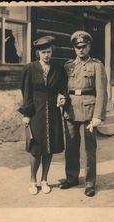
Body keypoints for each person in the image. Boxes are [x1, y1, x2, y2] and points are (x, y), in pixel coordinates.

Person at [60, 31, 107, 197]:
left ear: (89, 46)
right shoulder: (68, 66)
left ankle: (89, 183)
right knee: (71, 148)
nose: (80, 50)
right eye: (76, 47)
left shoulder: (97, 66)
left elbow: (101, 93)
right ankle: (72, 178)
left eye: (83, 46)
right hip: (71, 110)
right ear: (74, 48)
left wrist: (98, 116)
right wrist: (61, 97)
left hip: (89, 112)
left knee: (89, 150)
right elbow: (63, 89)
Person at [19, 36, 67, 195]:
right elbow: (26, 92)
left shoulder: (58, 69)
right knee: (36, 148)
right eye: (43, 52)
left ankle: (44, 180)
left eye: (49, 52)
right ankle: (33, 181)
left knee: (49, 147)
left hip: (53, 112)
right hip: (36, 112)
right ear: (38, 53)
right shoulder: (30, 68)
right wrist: (26, 114)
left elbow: (63, 88)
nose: (47, 55)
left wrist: (62, 96)